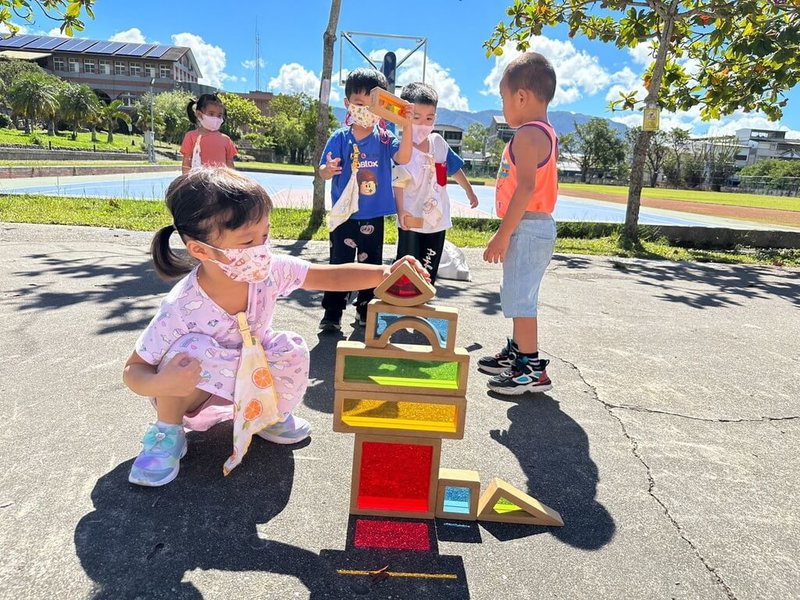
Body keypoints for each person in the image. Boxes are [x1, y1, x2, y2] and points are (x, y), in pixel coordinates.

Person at [123, 167, 428, 486]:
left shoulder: (270, 270)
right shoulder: (182, 306)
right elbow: (134, 369)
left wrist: (385, 272)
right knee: (187, 352)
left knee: (288, 346)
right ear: (201, 250)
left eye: (265, 236)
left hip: (249, 372)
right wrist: (163, 383)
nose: (261, 250)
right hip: (196, 387)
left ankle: (267, 415)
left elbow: (327, 276)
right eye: (247, 241)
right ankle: (167, 433)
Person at [477, 52, 559, 395]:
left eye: (503, 97)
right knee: (517, 293)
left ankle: (529, 368)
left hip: (527, 226)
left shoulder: (528, 135)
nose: (503, 104)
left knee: (521, 299)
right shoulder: (543, 132)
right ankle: (518, 351)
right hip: (532, 226)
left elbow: (525, 188)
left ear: (521, 97)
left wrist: (503, 233)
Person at [317, 67, 413, 332]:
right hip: (344, 215)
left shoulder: (385, 139)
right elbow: (323, 171)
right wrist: (328, 169)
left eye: (372, 105)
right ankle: (332, 313)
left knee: (370, 267)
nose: (365, 110)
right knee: (339, 264)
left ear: (382, 107)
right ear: (347, 104)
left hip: (373, 215)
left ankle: (365, 311)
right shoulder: (339, 138)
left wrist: (407, 127)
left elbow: (403, 158)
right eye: (359, 104)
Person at [391, 81, 479, 284]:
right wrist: (400, 210)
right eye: (416, 118)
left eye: (429, 118)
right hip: (411, 221)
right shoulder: (400, 149)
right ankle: (403, 306)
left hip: (436, 221)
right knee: (406, 271)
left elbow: (454, 169)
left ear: (435, 118)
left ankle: (422, 304)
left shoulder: (438, 143)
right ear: (404, 116)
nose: (423, 124)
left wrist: (469, 191)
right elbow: (399, 183)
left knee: (428, 272)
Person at [180, 93, 237, 174]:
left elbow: (230, 163)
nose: (216, 118)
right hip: (198, 183)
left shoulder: (226, 140)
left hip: (220, 183)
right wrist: (186, 182)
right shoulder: (191, 136)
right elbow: (186, 162)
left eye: (219, 115)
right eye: (211, 114)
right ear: (199, 114)